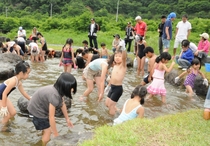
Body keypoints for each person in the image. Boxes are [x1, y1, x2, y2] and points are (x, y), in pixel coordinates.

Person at [27, 73, 77, 146]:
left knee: (46, 128)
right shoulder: (54, 96)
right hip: (36, 111)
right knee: (48, 132)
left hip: (37, 107)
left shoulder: (58, 91)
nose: (72, 90)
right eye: (71, 88)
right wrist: (55, 133)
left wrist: (67, 119)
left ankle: (43, 134)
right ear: (64, 87)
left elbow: (62, 104)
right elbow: (51, 117)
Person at [0, 61, 31, 127]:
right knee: (7, 115)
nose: (28, 75)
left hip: (3, 96)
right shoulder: (13, 80)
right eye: (27, 73)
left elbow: (24, 93)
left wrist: (31, 99)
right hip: (2, 96)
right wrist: (4, 107)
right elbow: (4, 93)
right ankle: (3, 130)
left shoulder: (18, 82)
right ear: (21, 73)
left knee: (13, 113)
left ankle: (4, 123)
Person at [105, 49, 127, 116]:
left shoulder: (122, 66)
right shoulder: (115, 66)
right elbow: (112, 78)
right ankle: (119, 111)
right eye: (116, 56)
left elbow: (124, 58)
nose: (117, 57)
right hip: (112, 87)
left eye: (119, 56)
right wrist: (108, 86)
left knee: (111, 106)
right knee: (107, 104)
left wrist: (123, 49)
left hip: (118, 89)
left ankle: (111, 120)